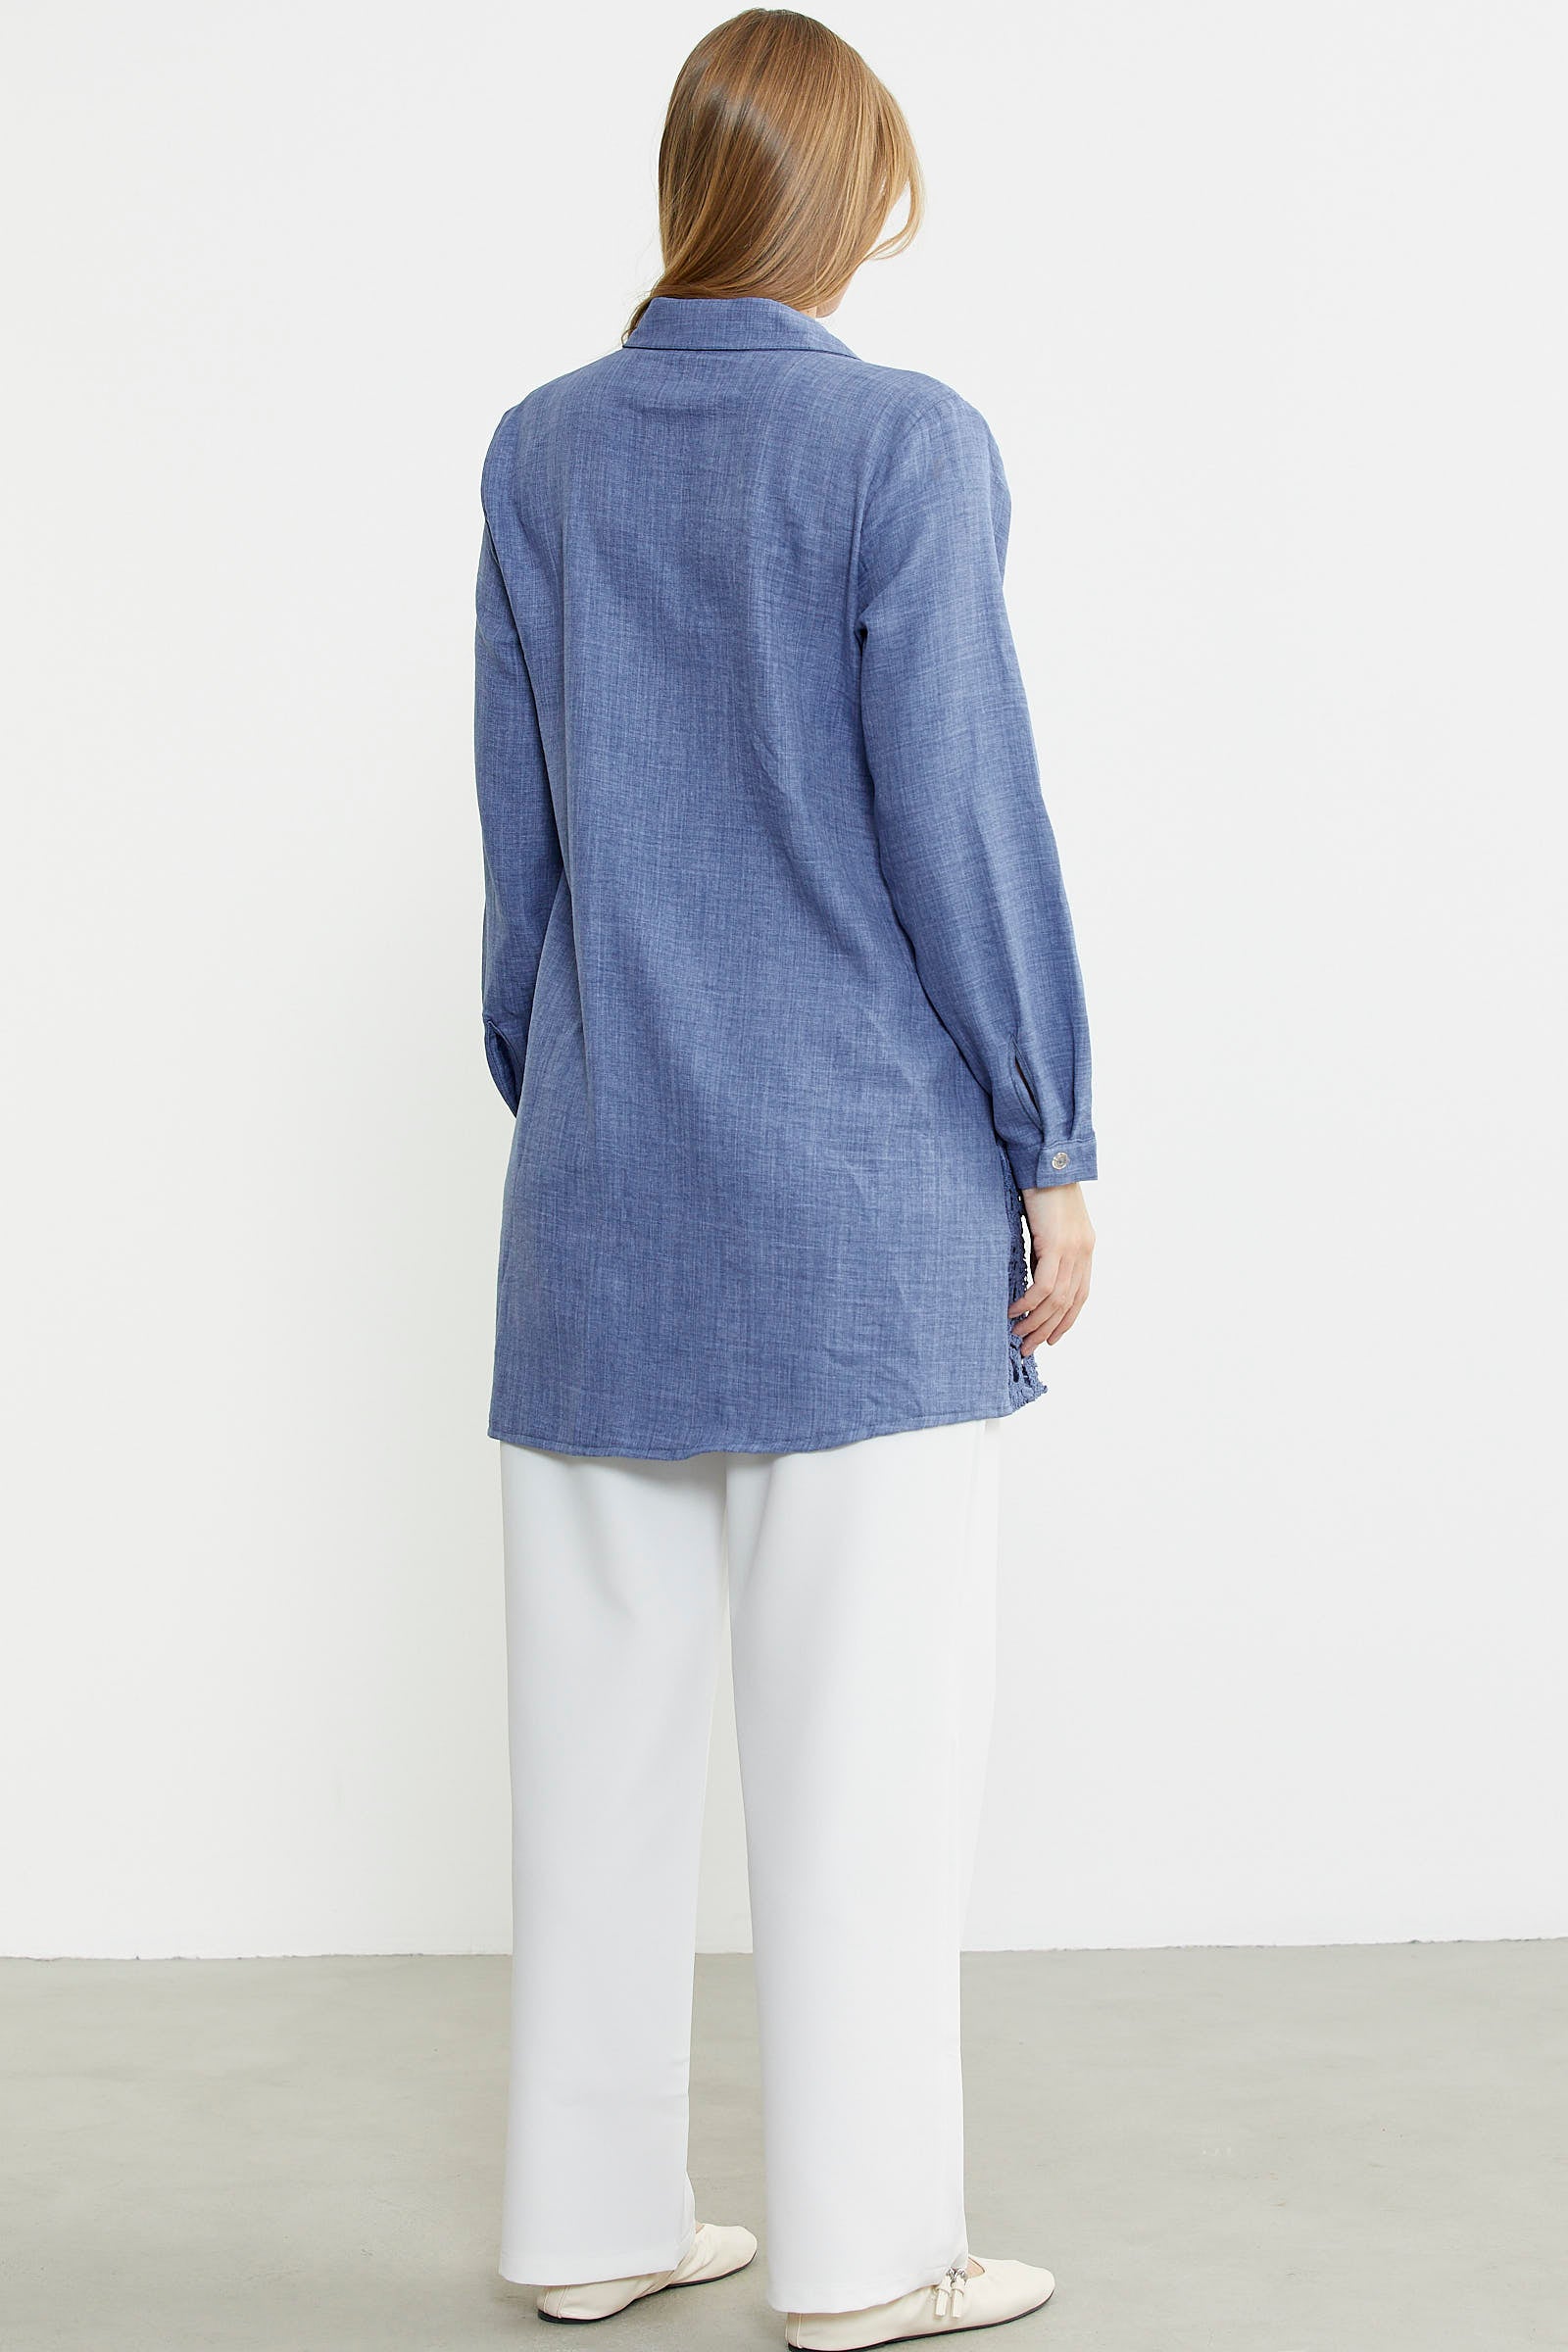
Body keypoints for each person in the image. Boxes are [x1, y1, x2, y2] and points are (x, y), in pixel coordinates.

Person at [472, 10, 1097, 2344]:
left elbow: (521, 867)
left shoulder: (539, 450)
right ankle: (865, 2257)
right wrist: (1046, 1140)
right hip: (854, 1206)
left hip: (599, 1199)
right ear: (851, 197)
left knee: (592, 1769)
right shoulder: (900, 442)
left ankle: (584, 2227)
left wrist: (587, 1105)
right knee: (864, 1773)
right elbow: (962, 821)